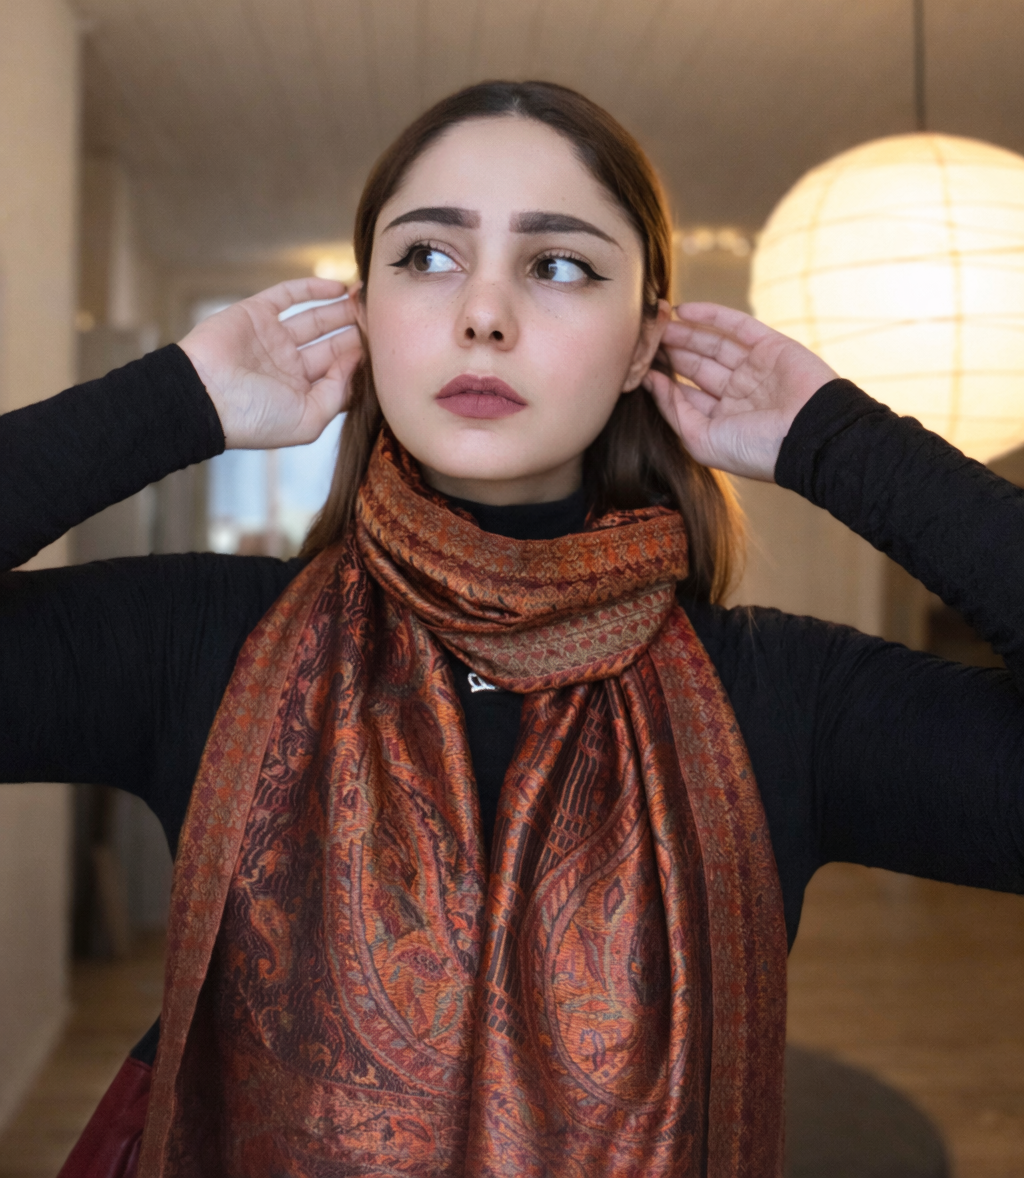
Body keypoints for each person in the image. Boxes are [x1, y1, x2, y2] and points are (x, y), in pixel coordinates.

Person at [2, 80, 1022, 1178]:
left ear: (643, 348)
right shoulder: (200, 649)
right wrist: (173, 400)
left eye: (560, 265)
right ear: (365, 315)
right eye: (427, 258)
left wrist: (841, 445)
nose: (482, 314)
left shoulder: (782, 702)